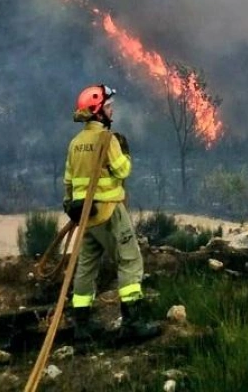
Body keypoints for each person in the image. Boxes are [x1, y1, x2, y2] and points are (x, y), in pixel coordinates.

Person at [62, 83, 160, 343]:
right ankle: (133, 323)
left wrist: (70, 206)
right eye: (107, 106)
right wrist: (125, 152)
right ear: (97, 111)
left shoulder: (75, 143)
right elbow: (122, 170)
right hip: (109, 212)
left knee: (85, 267)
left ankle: (81, 327)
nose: (112, 108)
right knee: (130, 260)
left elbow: (68, 182)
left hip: (85, 217)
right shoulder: (108, 139)